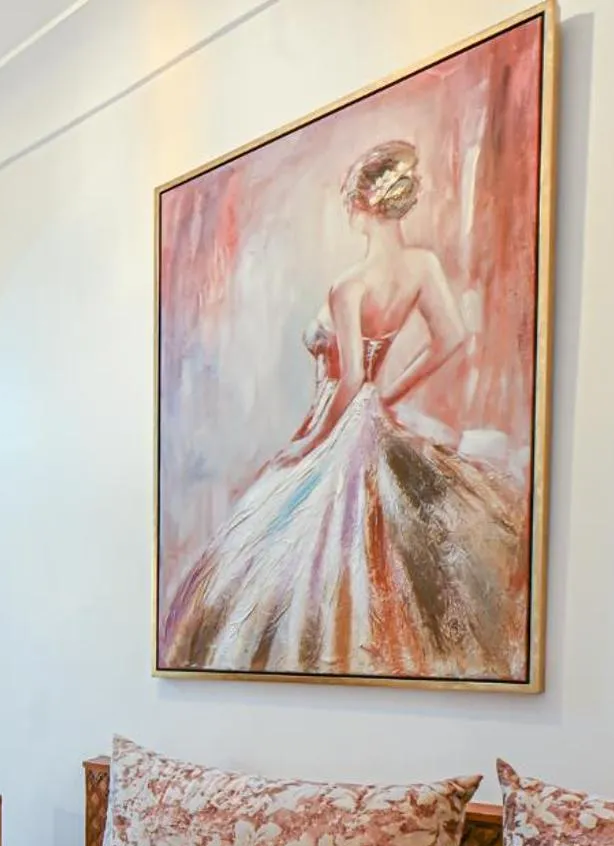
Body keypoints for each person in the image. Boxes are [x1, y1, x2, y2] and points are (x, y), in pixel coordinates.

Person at [162, 139, 525, 681]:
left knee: (317, 543)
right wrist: (391, 395)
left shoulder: (349, 286)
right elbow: (449, 337)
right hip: (370, 414)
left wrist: (311, 443)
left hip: (340, 421)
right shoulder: (422, 266)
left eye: (349, 203)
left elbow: (351, 379)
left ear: (361, 208)